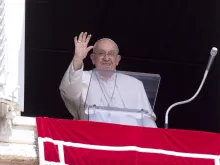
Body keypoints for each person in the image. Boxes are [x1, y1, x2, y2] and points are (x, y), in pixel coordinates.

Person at [59, 32, 157, 127]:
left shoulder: (134, 84)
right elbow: (69, 93)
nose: (106, 58)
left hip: (129, 141)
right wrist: (78, 59)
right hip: (93, 138)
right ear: (93, 58)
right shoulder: (83, 78)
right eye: (101, 53)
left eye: (111, 54)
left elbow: (147, 118)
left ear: (117, 60)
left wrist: (154, 141)